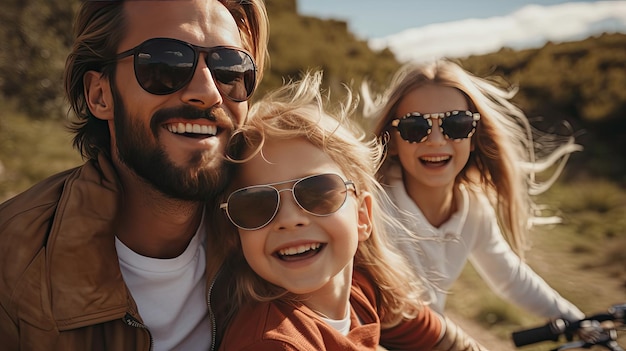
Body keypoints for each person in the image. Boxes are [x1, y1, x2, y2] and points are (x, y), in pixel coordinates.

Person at [0, 0, 268, 350]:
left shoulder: (271, 229)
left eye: (230, 69)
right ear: (100, 95)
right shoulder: (12, 263)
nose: (208, 92)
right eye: (165, 63)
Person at [216, 71, 489, 350]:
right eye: (255, 205)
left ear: (363, 216)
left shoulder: (364, 289)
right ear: (236, 233)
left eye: (317, 192)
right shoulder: (273, 343)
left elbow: (446, 340)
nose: (289, 220)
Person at [361, 59, 585, 321]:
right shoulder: (372, 210)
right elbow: (412, 320)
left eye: (457, 124)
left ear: (474, 136)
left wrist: (581, 322)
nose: (436, 140)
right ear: (393, 141)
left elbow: (512, 279)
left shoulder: (474, 208)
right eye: (415, 127)